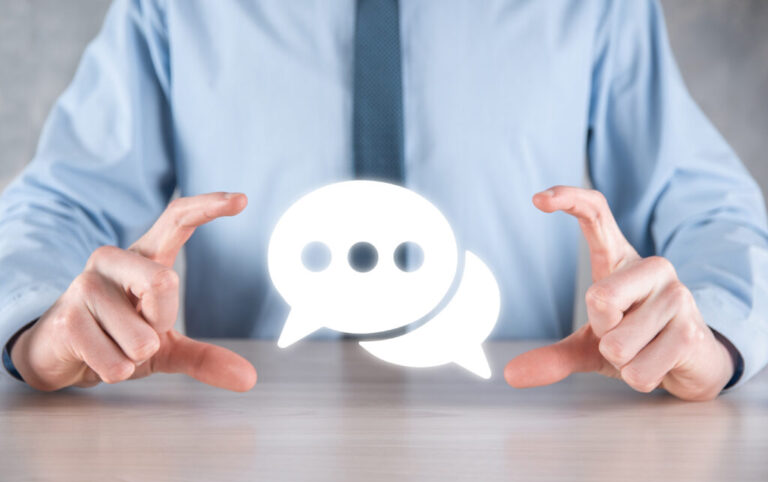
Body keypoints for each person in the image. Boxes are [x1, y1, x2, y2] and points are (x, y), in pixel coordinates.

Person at [1, 0, 766, 400]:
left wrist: (706, 335)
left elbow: (710, 210)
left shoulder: (594, 4)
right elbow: (57, 206)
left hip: (511, 444)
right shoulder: (173, 6)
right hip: (240, 454)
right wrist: (43, 329)